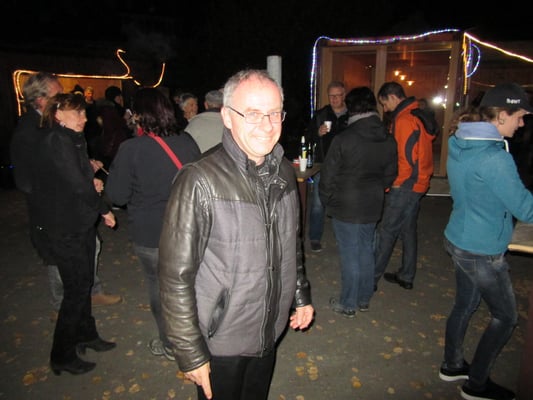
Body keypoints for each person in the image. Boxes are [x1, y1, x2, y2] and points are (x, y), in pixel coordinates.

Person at [159, 69, 315, 400]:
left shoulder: (284, 171)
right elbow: (174, 277)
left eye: (274, 113)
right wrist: (190, 352)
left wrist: (300, 295)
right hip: (222, 339)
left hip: (269, 328)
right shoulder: (199, 180)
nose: (267, 125)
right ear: (228, 117)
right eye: (253, 114)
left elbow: (291, 245)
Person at [439, 83, 533, 400]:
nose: (522, 124)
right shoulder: (494, 158)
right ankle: (476, 384)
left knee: (464, 305)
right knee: (505, 317)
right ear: (501, 114)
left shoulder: (459, 140)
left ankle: (452, 365)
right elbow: (525, 208)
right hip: (481, 250)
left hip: (459, 238)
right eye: (519, 117)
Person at [9, 72, 121, 312]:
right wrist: (72, 182)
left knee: (91, 247)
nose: (64, 97)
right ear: (41, 100)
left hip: (76, 206)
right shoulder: (30, 130)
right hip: (56, 212)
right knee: (60, 260)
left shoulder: (57, 123)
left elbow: (67, 162)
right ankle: (62, 307)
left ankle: (90, 293)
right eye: (57, 93)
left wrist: (84, 170)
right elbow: (27, 180)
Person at [105, 87, 201, 361]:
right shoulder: (187, 142)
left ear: (138, 115)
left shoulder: (131, 149)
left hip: (152, 234)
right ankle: (198, 336)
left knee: (160, 287)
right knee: (190, 284)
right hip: (189, 229)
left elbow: (117, 196)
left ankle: (170, 343)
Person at [30, 93, 117, 375]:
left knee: (84, 283)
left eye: (84, 112)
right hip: (65, 228)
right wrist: (104, 209)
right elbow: (77, 186)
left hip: (79, 224)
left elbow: (75, 178)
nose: (84, 118)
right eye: (77, 113)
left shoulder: (71, 137)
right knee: (75, 290)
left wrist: (89, 177)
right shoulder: (57, 139)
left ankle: (86, 334)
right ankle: (62, 354)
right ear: (58, 114)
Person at [320, 87, 397, 318]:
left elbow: (328, 176)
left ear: (351, 108)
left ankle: (348, 303)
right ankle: (363, 298)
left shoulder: (345, 138)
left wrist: (327, 199)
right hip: (373, 201)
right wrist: (376, 188)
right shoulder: (387, 137)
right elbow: (390, 174)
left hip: (346, 203)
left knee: (350, 254)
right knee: (365, 251)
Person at [373, 81, 437, 291]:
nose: (385, 109)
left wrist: (393, 184)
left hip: (406, 186)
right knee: (408, 230)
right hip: (418, 183)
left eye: (384, 103)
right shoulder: (416, 114)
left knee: (387, 232)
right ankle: (406, 275)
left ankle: (369, 280)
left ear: (392, 97)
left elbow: (405, 159)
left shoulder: (404, 120)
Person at [307, 81, 348, 252]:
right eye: (331, 96)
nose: (334, 99)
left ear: (344, 95)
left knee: (344, 203)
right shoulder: (321, 114)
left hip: (346, 166)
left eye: (338, 95)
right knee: (318, 203)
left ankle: (344, 238)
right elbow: (308, 135)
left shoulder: (352, 115)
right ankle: (315, 237)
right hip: (324, 164)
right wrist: (317, 133)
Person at [97, 85, 131, 169]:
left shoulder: (116, 108)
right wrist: (124, 119)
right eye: (118, 96)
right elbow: (111, 126)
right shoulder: (108, 110)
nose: (120, 98)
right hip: (114, 144)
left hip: (117, 143)